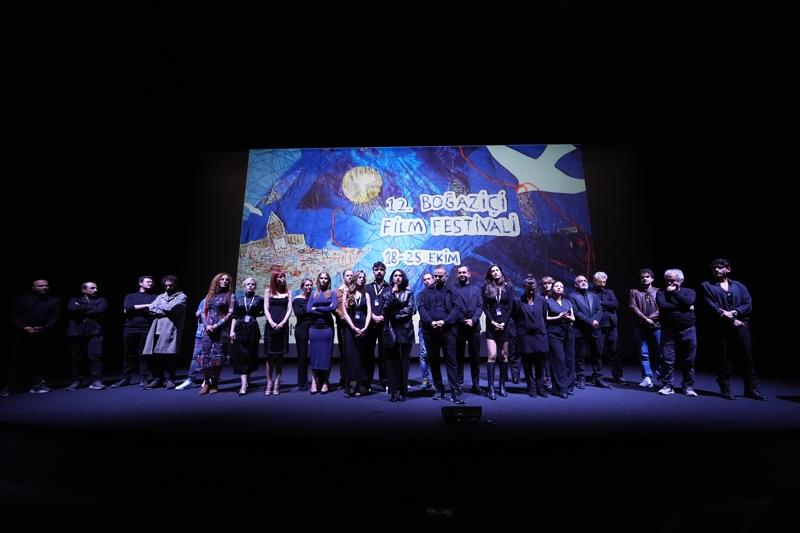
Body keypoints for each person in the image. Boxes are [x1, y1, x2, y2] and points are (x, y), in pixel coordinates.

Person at [701, 258, 766, 401]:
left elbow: (748, 303)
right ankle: (725, 388)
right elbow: (712, 306)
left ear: (728, 269)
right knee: (724, 358)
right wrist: (731, 319)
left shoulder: (739, 286)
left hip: (741, 324)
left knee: (746, 357)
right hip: (721, 326)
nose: (716, 270)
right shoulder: (707, 285)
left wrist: (735, 312)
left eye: (720, 267)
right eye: (714, 268)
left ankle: (751, 388)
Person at [5, 279, 61, 395]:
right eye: (41, 286)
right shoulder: (22, 299)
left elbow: (55, 318)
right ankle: (9, 386)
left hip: (42, 335)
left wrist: (43, 328)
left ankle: (38, 384)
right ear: (33, 288)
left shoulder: (54, 300)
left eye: (46, 285)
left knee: (39, 360)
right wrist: (24, 327)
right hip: (22, 334)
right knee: (16, 361)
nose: (45, 287)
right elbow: (14, 315)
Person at [418, 265, 461, 404]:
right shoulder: (425, 292)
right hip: (430, 331)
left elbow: (456, 309)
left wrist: (445, 321)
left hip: (448, 331)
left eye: (440, 276)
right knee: (434, 361)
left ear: (446, 276)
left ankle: (455, 391)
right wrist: (431, 322)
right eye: (435, 276)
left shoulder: (452, 291)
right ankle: (439, 389)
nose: (437, 278)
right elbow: (421, 308)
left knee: (451, 361)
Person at [656, 268, 697, 397]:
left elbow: (689, 301)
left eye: (672, 280)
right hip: (668, 330)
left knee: (689, 360)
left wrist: (674, 293)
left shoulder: (689, 291)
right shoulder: (661, 292)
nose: (669, 283)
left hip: (688, 329)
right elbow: (663, 306)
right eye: (667, 280)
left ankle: (688, 386)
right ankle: (668, 386)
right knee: (667, 360)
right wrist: (685, 307)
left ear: (681, 280)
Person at [142, 275, 187, 389]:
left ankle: (170, 379)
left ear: (175, 285)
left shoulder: (182, 296)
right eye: (166, 286)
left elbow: (173, 309)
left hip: (170, 328)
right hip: (157, 328)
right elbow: (151, 309)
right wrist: (164, 309)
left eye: (170, 285)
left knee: (169, 355)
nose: (167, 288)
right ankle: (158, 378)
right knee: (156, 355)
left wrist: (160, 307)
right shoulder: (160, 296)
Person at [568, 274, 612, 389]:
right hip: (581, 330)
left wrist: (596, 320)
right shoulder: (572, 296)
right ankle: (580, 379)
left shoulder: (594, 295)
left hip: (595, 330)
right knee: (580, 356)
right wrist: (590, 321)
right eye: (580, 281)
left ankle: (598, 378)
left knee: (597, 355)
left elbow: (599, 310)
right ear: (575, 284)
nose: (583, 282)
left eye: (585, 280)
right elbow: (576, 312)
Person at [113, 275, 156, 388]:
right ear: (140, 283)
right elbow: (128, 308)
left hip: (146, 328)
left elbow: (153, 310)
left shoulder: (154, 297)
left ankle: (143, 379)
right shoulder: (130, 296)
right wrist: (146, 306)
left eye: (151, 282)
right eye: (148, 281)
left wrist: (134, 308)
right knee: (128, 354)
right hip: (129, 328)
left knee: (144, 354)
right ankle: (126, 378)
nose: (150, 283)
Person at [66, 281, 108, 390]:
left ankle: (96, 380)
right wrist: (92, 308)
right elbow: (72, 309)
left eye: (96, 288)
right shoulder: (74, 300)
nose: (96, 290)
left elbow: (101, 310)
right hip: (77, 333)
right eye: (92, 288)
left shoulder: (101, 300)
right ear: (84, 290)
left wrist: (81, 309)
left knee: (95, 356)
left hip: (95, 332)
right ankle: (77, 380)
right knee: (76, 358)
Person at [198, 273, 233, 394]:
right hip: (208, 329)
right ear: (217, 281)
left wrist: (217, 325)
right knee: (205, 357)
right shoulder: (209, 295)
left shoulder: (230, 296)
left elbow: (230, 313)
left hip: (222, 330)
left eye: (227, 280)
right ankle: (206, 382)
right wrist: (207, 325)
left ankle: (215, 383)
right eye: (222, 279)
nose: (225, 281)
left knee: (218, 358)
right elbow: (203, 312)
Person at [383, 268, 415, 402]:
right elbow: (385, 308)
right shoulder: (387, 293)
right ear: (392, 279)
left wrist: (395, 314)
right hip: (391, 330)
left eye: (400, 276)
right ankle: (393, 391)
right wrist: (393, 295)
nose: (397, 278)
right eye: (395, 275)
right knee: (391, 362)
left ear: (403, 278)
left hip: (405, 330)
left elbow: (410, 309)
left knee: (403, 362)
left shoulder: (409, 292)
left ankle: (402, 391)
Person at [515, 274, 549, 397]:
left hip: (540, 336)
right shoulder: (518, 301)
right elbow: (516, 318)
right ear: (524, 287)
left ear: (536, 287)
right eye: (528, 287)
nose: (531, 289)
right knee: (527, 364)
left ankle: (540, 387)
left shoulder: (542, 301)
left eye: (533, 287)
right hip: (526, 337)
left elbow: (544, 317)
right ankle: (531, 387)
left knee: (541, 364)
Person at [482, 264, 513, 399]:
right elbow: (485, 307)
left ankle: (502, 386)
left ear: (501, 272)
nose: (495, 272)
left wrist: (504, 322)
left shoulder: (508, 288)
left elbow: (510, 307)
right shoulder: (486, 287)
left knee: (504, 355)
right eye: (492, 271)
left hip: (504, 324)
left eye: (497, 270)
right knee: (492, 356)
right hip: (491, 324)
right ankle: (491, 388)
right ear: (490, 274)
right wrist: (492, 322)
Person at [230, 277, 265, 396]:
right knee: (241, 356)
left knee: (251, 355)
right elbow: (235, 316)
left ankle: (248, 380)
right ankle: (243, 384)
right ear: (244, 286)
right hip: (240, 329)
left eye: (252, 284)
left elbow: (265, 311)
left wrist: (255, 315)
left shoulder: (259, 299)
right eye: (248, 284)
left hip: (253, 329)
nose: (250, 286)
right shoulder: (239, 300)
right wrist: (232, 331)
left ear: (255, 286)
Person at [628, 268, 661, 388]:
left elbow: (662, 308)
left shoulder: (659, 291)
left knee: (660, 352)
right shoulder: (634, 292)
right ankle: (647, 377)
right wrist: (645, 319)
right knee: (643, 352)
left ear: (652, 278)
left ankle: (662, 377)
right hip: (640, 325)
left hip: (656, 325)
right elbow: (633, 307)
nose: (644, 279)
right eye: (642, 277)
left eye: (647, 276)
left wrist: (651, 318)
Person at [453, 264, 483, 395]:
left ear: (469, 274)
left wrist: (473, 319)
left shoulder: (477, 289)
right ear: (457, 274)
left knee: (475, 358)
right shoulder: (453, 289)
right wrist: (463, 319)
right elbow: (453, 307)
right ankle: (459, 384)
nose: (462, 275)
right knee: (458, 358)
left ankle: (476, 384)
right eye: (460, 273)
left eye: (464, 272)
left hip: (474, 327)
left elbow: (480, 305)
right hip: (459, 327)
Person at [592, 271, 626, 384]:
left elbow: (615, 304)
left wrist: (600, 303)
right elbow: (593, 307)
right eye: (600, 281)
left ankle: (618, 376)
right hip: (598, 326)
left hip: (611, 326)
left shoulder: (609, 292)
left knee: (615, 351)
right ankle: (597, 376)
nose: (603, 283)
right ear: (594, 281)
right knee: (597, 352)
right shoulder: (590, 293)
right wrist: (606, 304)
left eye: (604, 281)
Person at [340, 271, 370, 397]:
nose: (361, 279)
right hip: (350, 328)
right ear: (354, 279)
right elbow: (345, 312)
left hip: (362, 327)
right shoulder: (346, 293)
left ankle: (358, 386)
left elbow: (369, 313)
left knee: (360, 357)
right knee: (349, 356)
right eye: (359, 277)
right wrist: (353, 327)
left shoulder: (366, 294)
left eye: (363, 278)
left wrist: (365, 327)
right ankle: (348, 387)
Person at [307, 272, 337, 394]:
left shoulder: (332, 293)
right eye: (321, 278)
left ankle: (325, 382)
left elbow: (333, 307)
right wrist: (325, 308)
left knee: (326, 356)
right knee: (314, 356)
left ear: (328, 281)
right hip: (314, 329)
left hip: (327, 329)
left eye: (326, 278)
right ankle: (314, 382)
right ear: (318, 280)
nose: (323, 280)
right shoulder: (313, 294)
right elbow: (308, 310)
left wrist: (317, 308)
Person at [263, 268, 292, 395]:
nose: (283, 279)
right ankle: (269, 382)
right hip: (271, 326)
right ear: (275, 279)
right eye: (280, 277)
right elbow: (266, 308)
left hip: (283, 326)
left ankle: (277, 382)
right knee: (269, 356)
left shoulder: (288, 292)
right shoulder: (268, 291)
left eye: (283, 276)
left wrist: (283, 322)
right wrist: (271, 322)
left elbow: (289, 309)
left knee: (280, 356)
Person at [545, 280, 575, 399]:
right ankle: (559, 388)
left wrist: (568, 318)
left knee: (569, 360)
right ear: (552, 289)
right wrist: (558, 317)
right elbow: (545, 317)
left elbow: (573, 318)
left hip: (568, 332)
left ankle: (568, 386)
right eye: (556, 286)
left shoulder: (567, 302)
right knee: (559, 360)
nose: (559, 288)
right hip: (554, 332)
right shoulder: (548, 302)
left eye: (561, 286)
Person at [364, 261, 389, 392]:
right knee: (368, 354)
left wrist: (383, 316)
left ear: (385, 271)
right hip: (370, 325)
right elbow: (363, 305)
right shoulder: (367, 287)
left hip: (384, 325)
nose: (379, 272)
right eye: (376, 269)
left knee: (384, 355)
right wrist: (373, 316)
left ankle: (385, 382)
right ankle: (367, 382)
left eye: (381, 269)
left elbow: (391, 305)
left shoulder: (389, 287)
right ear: (373, 271)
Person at [175, 298, 205, 390]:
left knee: (210, 357)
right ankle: (191, 379)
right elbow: (197, 314)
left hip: (214, 332)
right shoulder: (204, 300)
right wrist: (204, 309)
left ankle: (208, 379)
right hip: (201, 332)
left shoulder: (223, 300)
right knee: (195, 356)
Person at [292, 278, 313, 390]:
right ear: (302, 287)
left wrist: (310, 309)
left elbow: (317, 312)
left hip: (314, 328)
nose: (309, 287)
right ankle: (302, 383)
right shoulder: (297, 299)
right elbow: (298, 313)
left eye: (310, 285)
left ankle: (316, 382)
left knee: (315, 356)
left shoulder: (314, 298)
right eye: (306, 285)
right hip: (301, 329)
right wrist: (311, 309)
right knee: (302, 356)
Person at [417, 272, 434, 388]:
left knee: (435, 354)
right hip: (424, 327)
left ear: (433, 279)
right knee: (423, 354)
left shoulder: (439, 292)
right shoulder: (420, 294)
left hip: (438, 328)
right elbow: (421, 310)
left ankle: (437, 381)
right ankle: (425, 379)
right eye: (425, 279)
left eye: (428, 279)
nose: (427, 281)